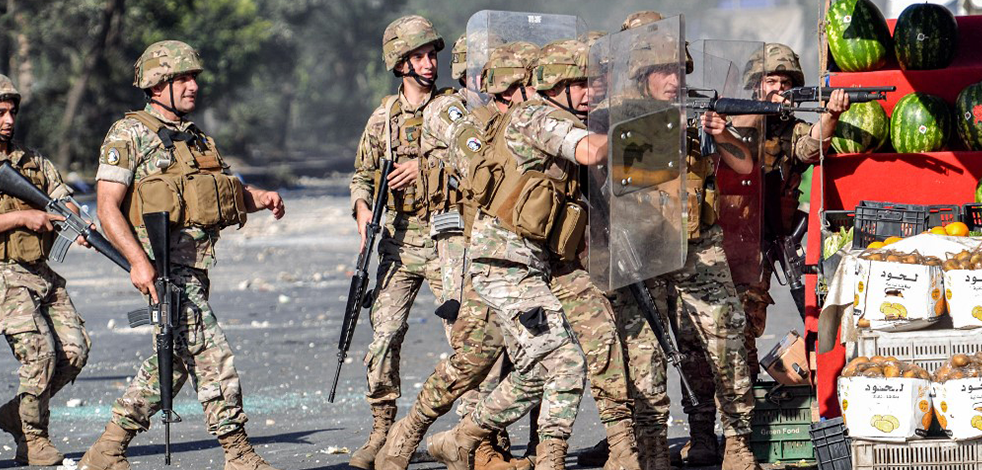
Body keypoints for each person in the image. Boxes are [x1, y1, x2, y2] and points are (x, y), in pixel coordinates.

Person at [78, 40, 285, 470]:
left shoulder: (196, 137)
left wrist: (259, 198)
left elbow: (224, 192)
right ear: (157, 84)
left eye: (194, 78)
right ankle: (239, 452)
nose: (193, 86)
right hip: (164, 272)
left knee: (171, 364)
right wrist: (138, 262)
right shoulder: (128, 133)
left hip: (198, 268)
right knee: (212, 352)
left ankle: (107, 448)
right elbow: (106, 207)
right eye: (183, 79)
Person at [427, 38, 611, 470]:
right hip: (505, 266)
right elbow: (591, 149)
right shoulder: (537, 115)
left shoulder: (553, 114)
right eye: (578, 83)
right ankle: (543, 458)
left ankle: (463, 437)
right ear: (555, 84)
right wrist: (654, 126)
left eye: (590, 83)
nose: (588, 92)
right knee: (561, 360)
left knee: (542, 369)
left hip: (532, 265)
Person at [672, 42, 850, 467]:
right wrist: (760, 107)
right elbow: (735, 134)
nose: (780, 89)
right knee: (695, 342)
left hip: (761, 247)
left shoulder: (786, 129)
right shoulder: (729, 119)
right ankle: (700, 433)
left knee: (743, 339)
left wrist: (831, 115)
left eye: (787, 82)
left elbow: (810, 148)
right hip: (715, 244)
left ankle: (739, 434)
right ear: (755, 85)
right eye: (771, 81)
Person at [374, 37, 531, 470]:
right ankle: (426, 436)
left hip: (526, 249)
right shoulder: (453, 115)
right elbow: (467, 161)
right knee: (475, 349)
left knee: (533, 355)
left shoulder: (522, 117)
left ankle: (503, 444)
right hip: (467, 245)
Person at [347, 15, 454, 470]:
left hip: (448, 234)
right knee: (384, 335)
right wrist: (361, 206)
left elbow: (479, 162)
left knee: (464, 336)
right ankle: (381, 429)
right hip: (398, 238)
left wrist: (427, 170)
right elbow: (362, 174)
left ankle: (475, 432)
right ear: (400, 63)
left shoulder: (454, 109)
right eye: (419, 56)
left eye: (432, 55)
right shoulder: (383, 117)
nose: (429, 64)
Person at [0, 74, 92, 466]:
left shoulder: (31, 160)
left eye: (12, 112)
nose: (8, 120)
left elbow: (61, 199)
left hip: (41, 271)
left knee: (75, 350)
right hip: (3, 274)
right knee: (39, 353)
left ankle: (15, 415)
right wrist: (23, 217)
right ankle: (34, 439)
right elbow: (28, 214)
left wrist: (72, 220)